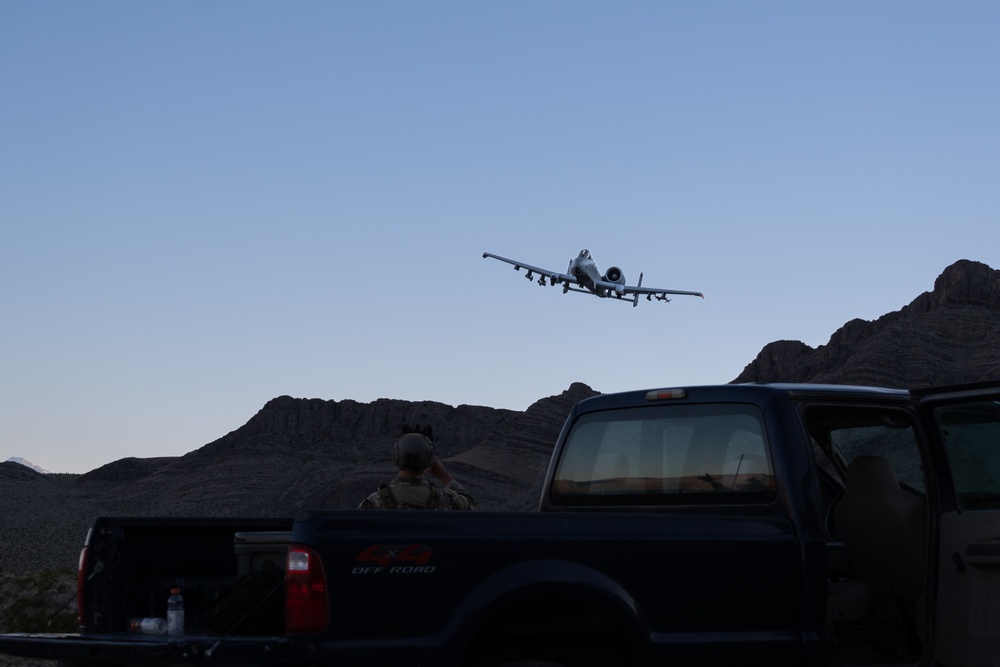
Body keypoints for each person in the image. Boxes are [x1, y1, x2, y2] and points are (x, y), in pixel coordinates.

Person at [358, 424, 475, 510]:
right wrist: (443, 475)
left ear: (396, 456)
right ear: (429, 460)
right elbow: (470, 506)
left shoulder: (375, 501)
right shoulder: (443, 498)